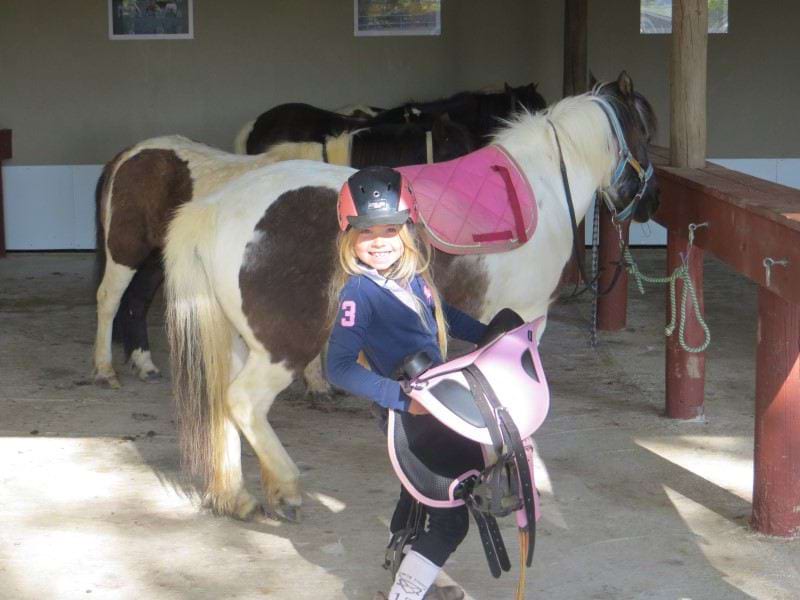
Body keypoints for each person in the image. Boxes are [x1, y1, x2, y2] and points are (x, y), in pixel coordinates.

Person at [325, 166, 488, 600]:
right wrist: (401, 398)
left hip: (437, 404)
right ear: (348, 235)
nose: (379, 241)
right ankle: (406, 593)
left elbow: (442, 314)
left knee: (417, 493)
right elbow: (338, 367)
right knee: (451, 518)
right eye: (366, 231)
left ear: (406, 229)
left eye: (390, 229)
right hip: (413, 412)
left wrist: (491, 334)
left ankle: (404, 562)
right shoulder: (358, 293)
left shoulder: (410, 276)